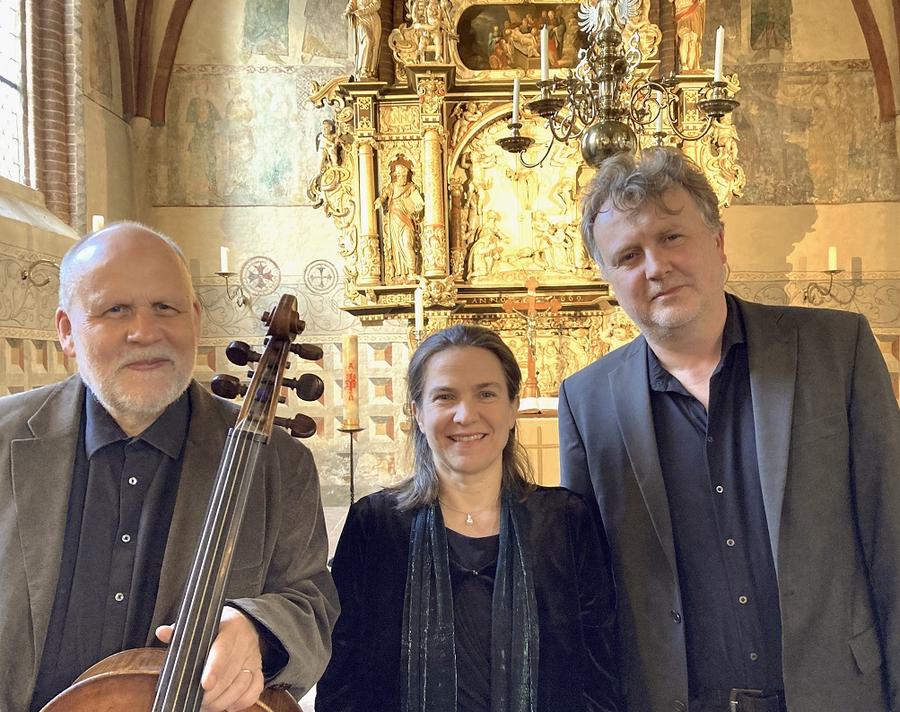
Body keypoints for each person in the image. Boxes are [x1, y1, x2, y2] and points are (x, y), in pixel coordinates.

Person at [559, 147, 900, 712]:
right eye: (628, 255)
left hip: (834, 692)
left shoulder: (836, 350)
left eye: (671, 237)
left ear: (718, 242)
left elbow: (891, 533)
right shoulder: (586, 401)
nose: (655, 267)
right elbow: (590, 591)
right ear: (608, 278)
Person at [0, 222, 339, 711]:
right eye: (115, 310)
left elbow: (312, 606)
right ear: (67, 331)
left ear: (194, 320)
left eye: (165, 307)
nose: (145, 331)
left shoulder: (280, 463)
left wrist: (258, 630)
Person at [316, 324, 621, 711]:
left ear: (513, 408)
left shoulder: (565, 520)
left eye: (486, 394)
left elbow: (601, 673)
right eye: (445, 396)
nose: (465, 415)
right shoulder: (374, 524)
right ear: (418, 413)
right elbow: (341, 678)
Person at [374, 156, 424, 283]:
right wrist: (380, 201)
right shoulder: (392, 186)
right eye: (400, 174)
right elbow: (384, 196)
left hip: (407, 219)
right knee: (397, 248)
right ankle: (401, 273)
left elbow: (418, 205)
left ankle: (412, 272)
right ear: (396, 175)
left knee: (407, 243)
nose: (402, 177)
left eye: (404, 175)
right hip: (394, 220)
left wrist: (418, 209)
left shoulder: (411, 187)